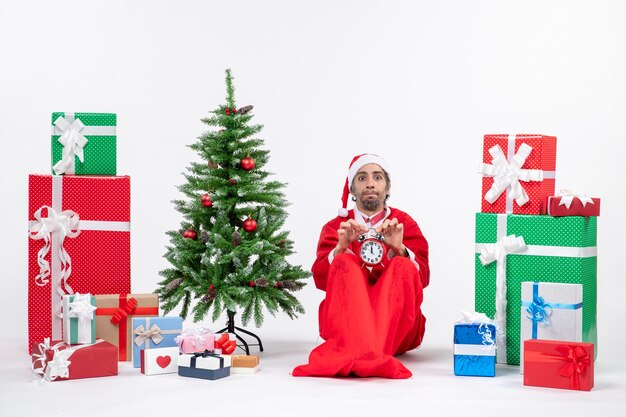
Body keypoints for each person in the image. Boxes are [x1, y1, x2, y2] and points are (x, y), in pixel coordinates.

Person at [293, 153, 430, 379]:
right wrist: (339, 250)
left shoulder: (403, 224)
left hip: (396, 327)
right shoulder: (337, 227)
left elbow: (423, 278)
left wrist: (401, 249)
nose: (370, 184)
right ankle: (370, 352)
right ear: (352, 189)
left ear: (387, 187)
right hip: (349, 324)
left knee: (403, 266)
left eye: (377, 177)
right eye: (362, 178)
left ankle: (363, 351)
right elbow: (319, 279)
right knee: (345, 261)